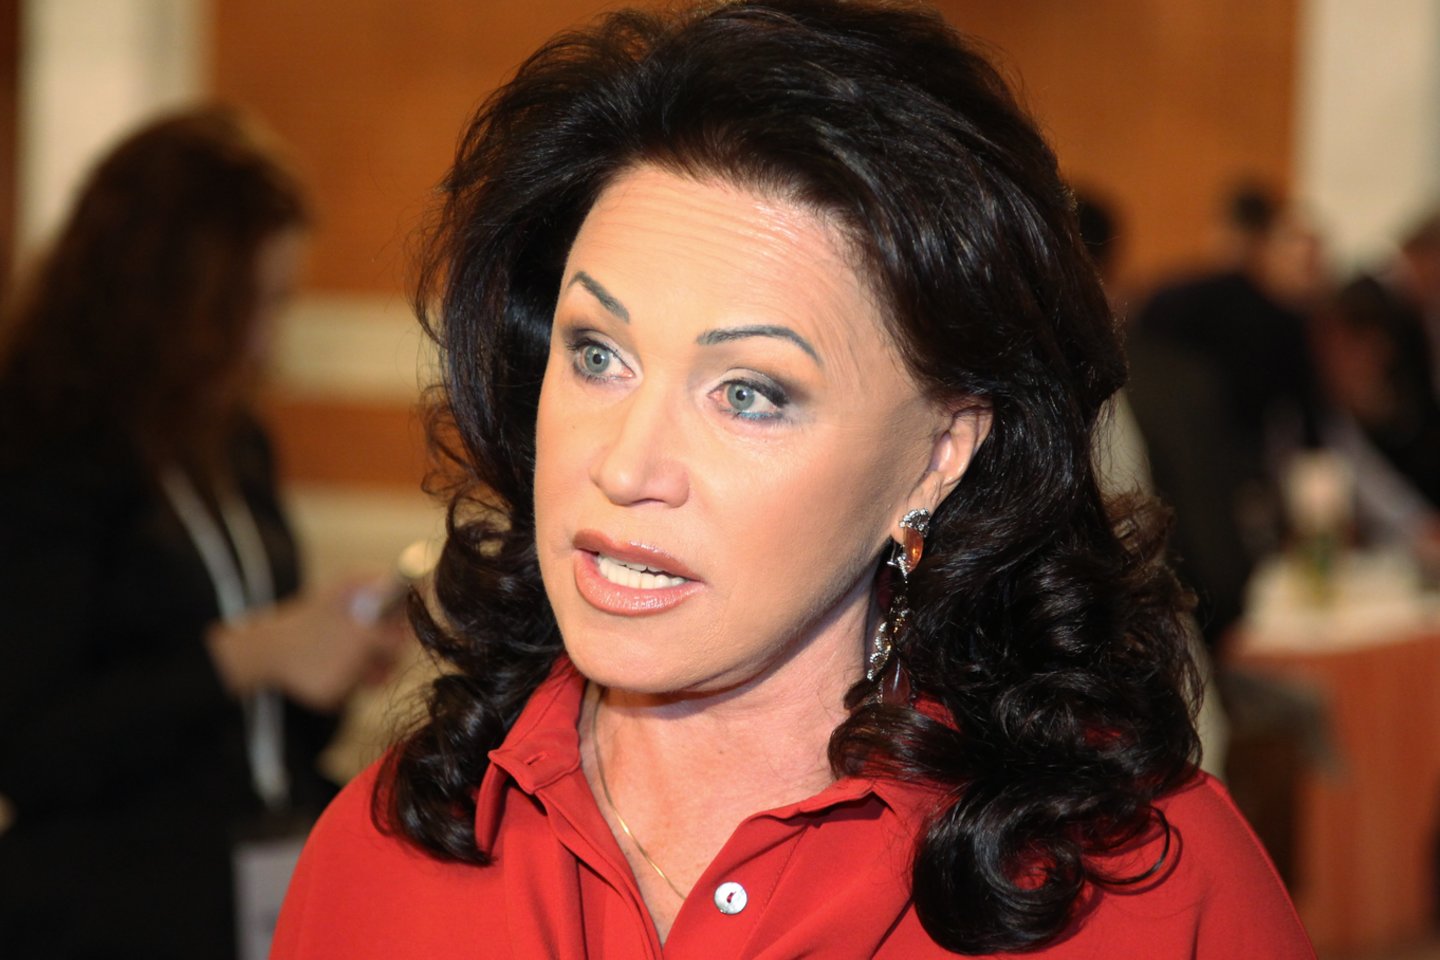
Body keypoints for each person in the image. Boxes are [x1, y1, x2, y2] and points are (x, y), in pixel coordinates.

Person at [273, 2, 1314, 957]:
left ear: (940, 453)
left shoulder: (1148, 892)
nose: (625, 465)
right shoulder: (387, 854)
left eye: (749, 394)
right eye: (597, 355)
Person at [0, 107, 405, 959]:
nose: (264, 341)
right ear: (165, 294)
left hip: (245, 885)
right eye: (248, 304)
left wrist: (324, 657)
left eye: (279, 303)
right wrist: (250, 654)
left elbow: (256, 737)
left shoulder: (231, 439)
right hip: (99, 913)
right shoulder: (45, 445)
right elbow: (32, 745)